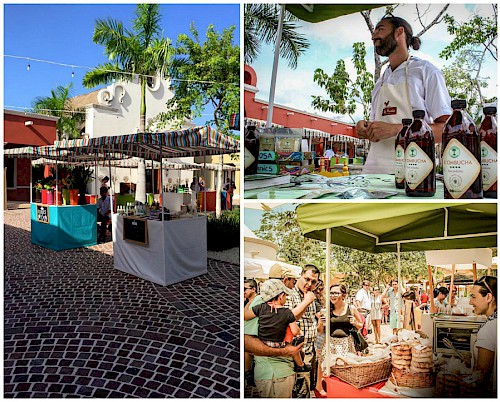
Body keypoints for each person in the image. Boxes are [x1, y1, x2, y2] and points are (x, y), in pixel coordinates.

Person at [355, 14, 452, 174]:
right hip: (373, 174)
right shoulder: (381, 81)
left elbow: (446, 130)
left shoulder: (426, 71)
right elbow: (378, 124)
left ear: (399, 32)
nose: (374, 36)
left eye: (380, 29)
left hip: (415, 174)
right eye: (373, 32)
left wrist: (394, 130)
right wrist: (365, 128)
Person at [244, 279, 312, 375]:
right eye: (285, 296)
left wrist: (249, 303)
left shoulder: (260, 307)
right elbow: (295, 331)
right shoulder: (287, 312)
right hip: (278, 345)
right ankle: (300, 365)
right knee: (294, 345)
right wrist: (298, 333)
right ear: (281, 296)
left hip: (262, 342)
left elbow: (245, 316)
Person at [284, 265, 321, 398]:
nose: (309, 284)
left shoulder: (309, 295)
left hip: (311, 347)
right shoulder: (289, 294)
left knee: (307, 386)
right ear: (300, 275)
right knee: (301, 388)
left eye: (313, 282)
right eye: (307, 279)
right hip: (297, 351)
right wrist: (306, 301)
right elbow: (287, 318)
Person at [468, 276, 497, 397]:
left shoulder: (489, 329)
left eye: (474, 297)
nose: (470, 302)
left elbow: (480, 378)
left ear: (489, 297)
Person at [323, 284, 364, 355]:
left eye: (336, 293)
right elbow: (320, 331)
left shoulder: (351, 309)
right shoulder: (327, 310)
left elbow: (360, 326)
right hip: (330, 344)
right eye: (331, 293)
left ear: (344, 295)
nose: (333, 296)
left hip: (347, 344)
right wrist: (321, 322)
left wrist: (355, 323)